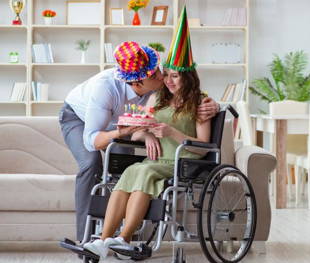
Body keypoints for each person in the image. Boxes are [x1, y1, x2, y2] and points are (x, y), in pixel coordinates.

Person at [59, 41, 218, 242]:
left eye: (166, 73)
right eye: (157, 75)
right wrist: (137, 132)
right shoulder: (106, 89)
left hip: (147, 138)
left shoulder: (159, 86)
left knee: (129, 167)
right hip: (81, 119)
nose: (162, 77)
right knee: (92, 164)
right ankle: (89, 240)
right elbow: (94, 140)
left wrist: (215, 105)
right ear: (137, 83)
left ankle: (121, 238)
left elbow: (189, 101)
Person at [83, 7, 209, 256]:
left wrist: (173, 133)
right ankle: (104, 240)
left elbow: (204, 146)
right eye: (167, 75)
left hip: (185, 161)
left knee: (144, 172)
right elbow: (138, 132)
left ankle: (124, 237)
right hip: (157, 161)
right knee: (130, 174)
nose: (168, 80)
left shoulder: (202, 103)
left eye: (175, 76)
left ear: (189, 78)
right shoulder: (157, 99)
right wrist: (148, 134)